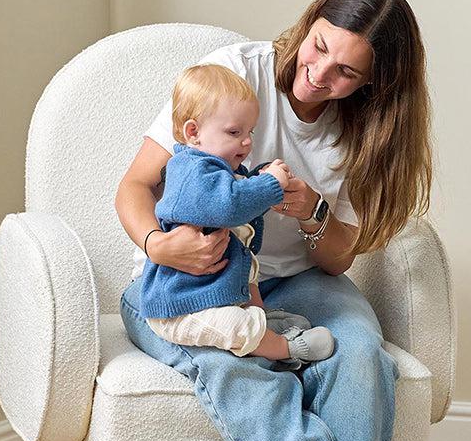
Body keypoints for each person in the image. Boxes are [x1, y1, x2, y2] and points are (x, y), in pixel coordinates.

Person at [115, 0, 453, 441]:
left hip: (294, 280)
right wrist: (160, 243)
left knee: (360, 353)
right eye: (320, 47)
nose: (320, 74)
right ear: (309, 23)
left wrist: (310, 210)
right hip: (182, 286)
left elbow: (336, 258)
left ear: (374, 85)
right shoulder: (237, 74)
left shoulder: (366, 132)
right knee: (235, 367)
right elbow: (136, 183)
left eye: (346, 72)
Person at [140, 63, 336, 367]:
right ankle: (286, 348)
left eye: (250, 132)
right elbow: (228, 205)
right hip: (181, 306)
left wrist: (261, 177)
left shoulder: (220, 170)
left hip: (213, 293)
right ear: (193, 132)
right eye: (234, 132)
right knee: (235, 326)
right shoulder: (190, 171)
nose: (246, 142)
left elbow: (241, 196)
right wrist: (270, 185)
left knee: (245, 277)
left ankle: (262, 321)